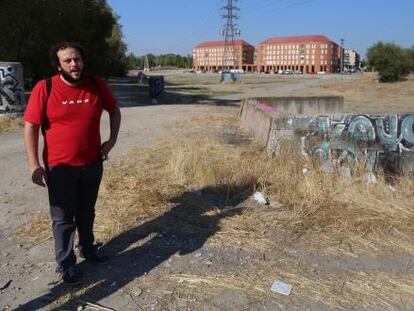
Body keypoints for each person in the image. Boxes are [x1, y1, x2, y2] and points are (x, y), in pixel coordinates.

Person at [23, 42, 121, 285]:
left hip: (92, 164)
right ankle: (66, 263)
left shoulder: (96, 85)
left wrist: (111, 141)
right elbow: (31, 127)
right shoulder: (44, 88)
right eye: (67, 61)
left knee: (87, 212)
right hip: (59, 168)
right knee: (63, 218)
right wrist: (34, 164)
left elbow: (115, 110)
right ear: (58, 65)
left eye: (77, 59)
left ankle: (88, 248)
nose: (74, 64)